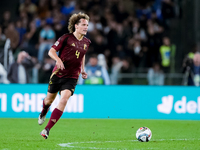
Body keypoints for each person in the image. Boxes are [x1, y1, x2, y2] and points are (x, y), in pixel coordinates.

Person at [38, 12, 90, 139]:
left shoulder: (87, 42)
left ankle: (47, 129)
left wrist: (83, 69)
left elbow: (82, 55)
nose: (86, 27)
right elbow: (51, 51)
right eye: (83, 25)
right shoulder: (66, 38)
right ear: (76, 26)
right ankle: (44, 111)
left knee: (64, 99)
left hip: (72, 76)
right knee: (49, 100)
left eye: (87, 25)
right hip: (58, 74)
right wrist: (58, 60)